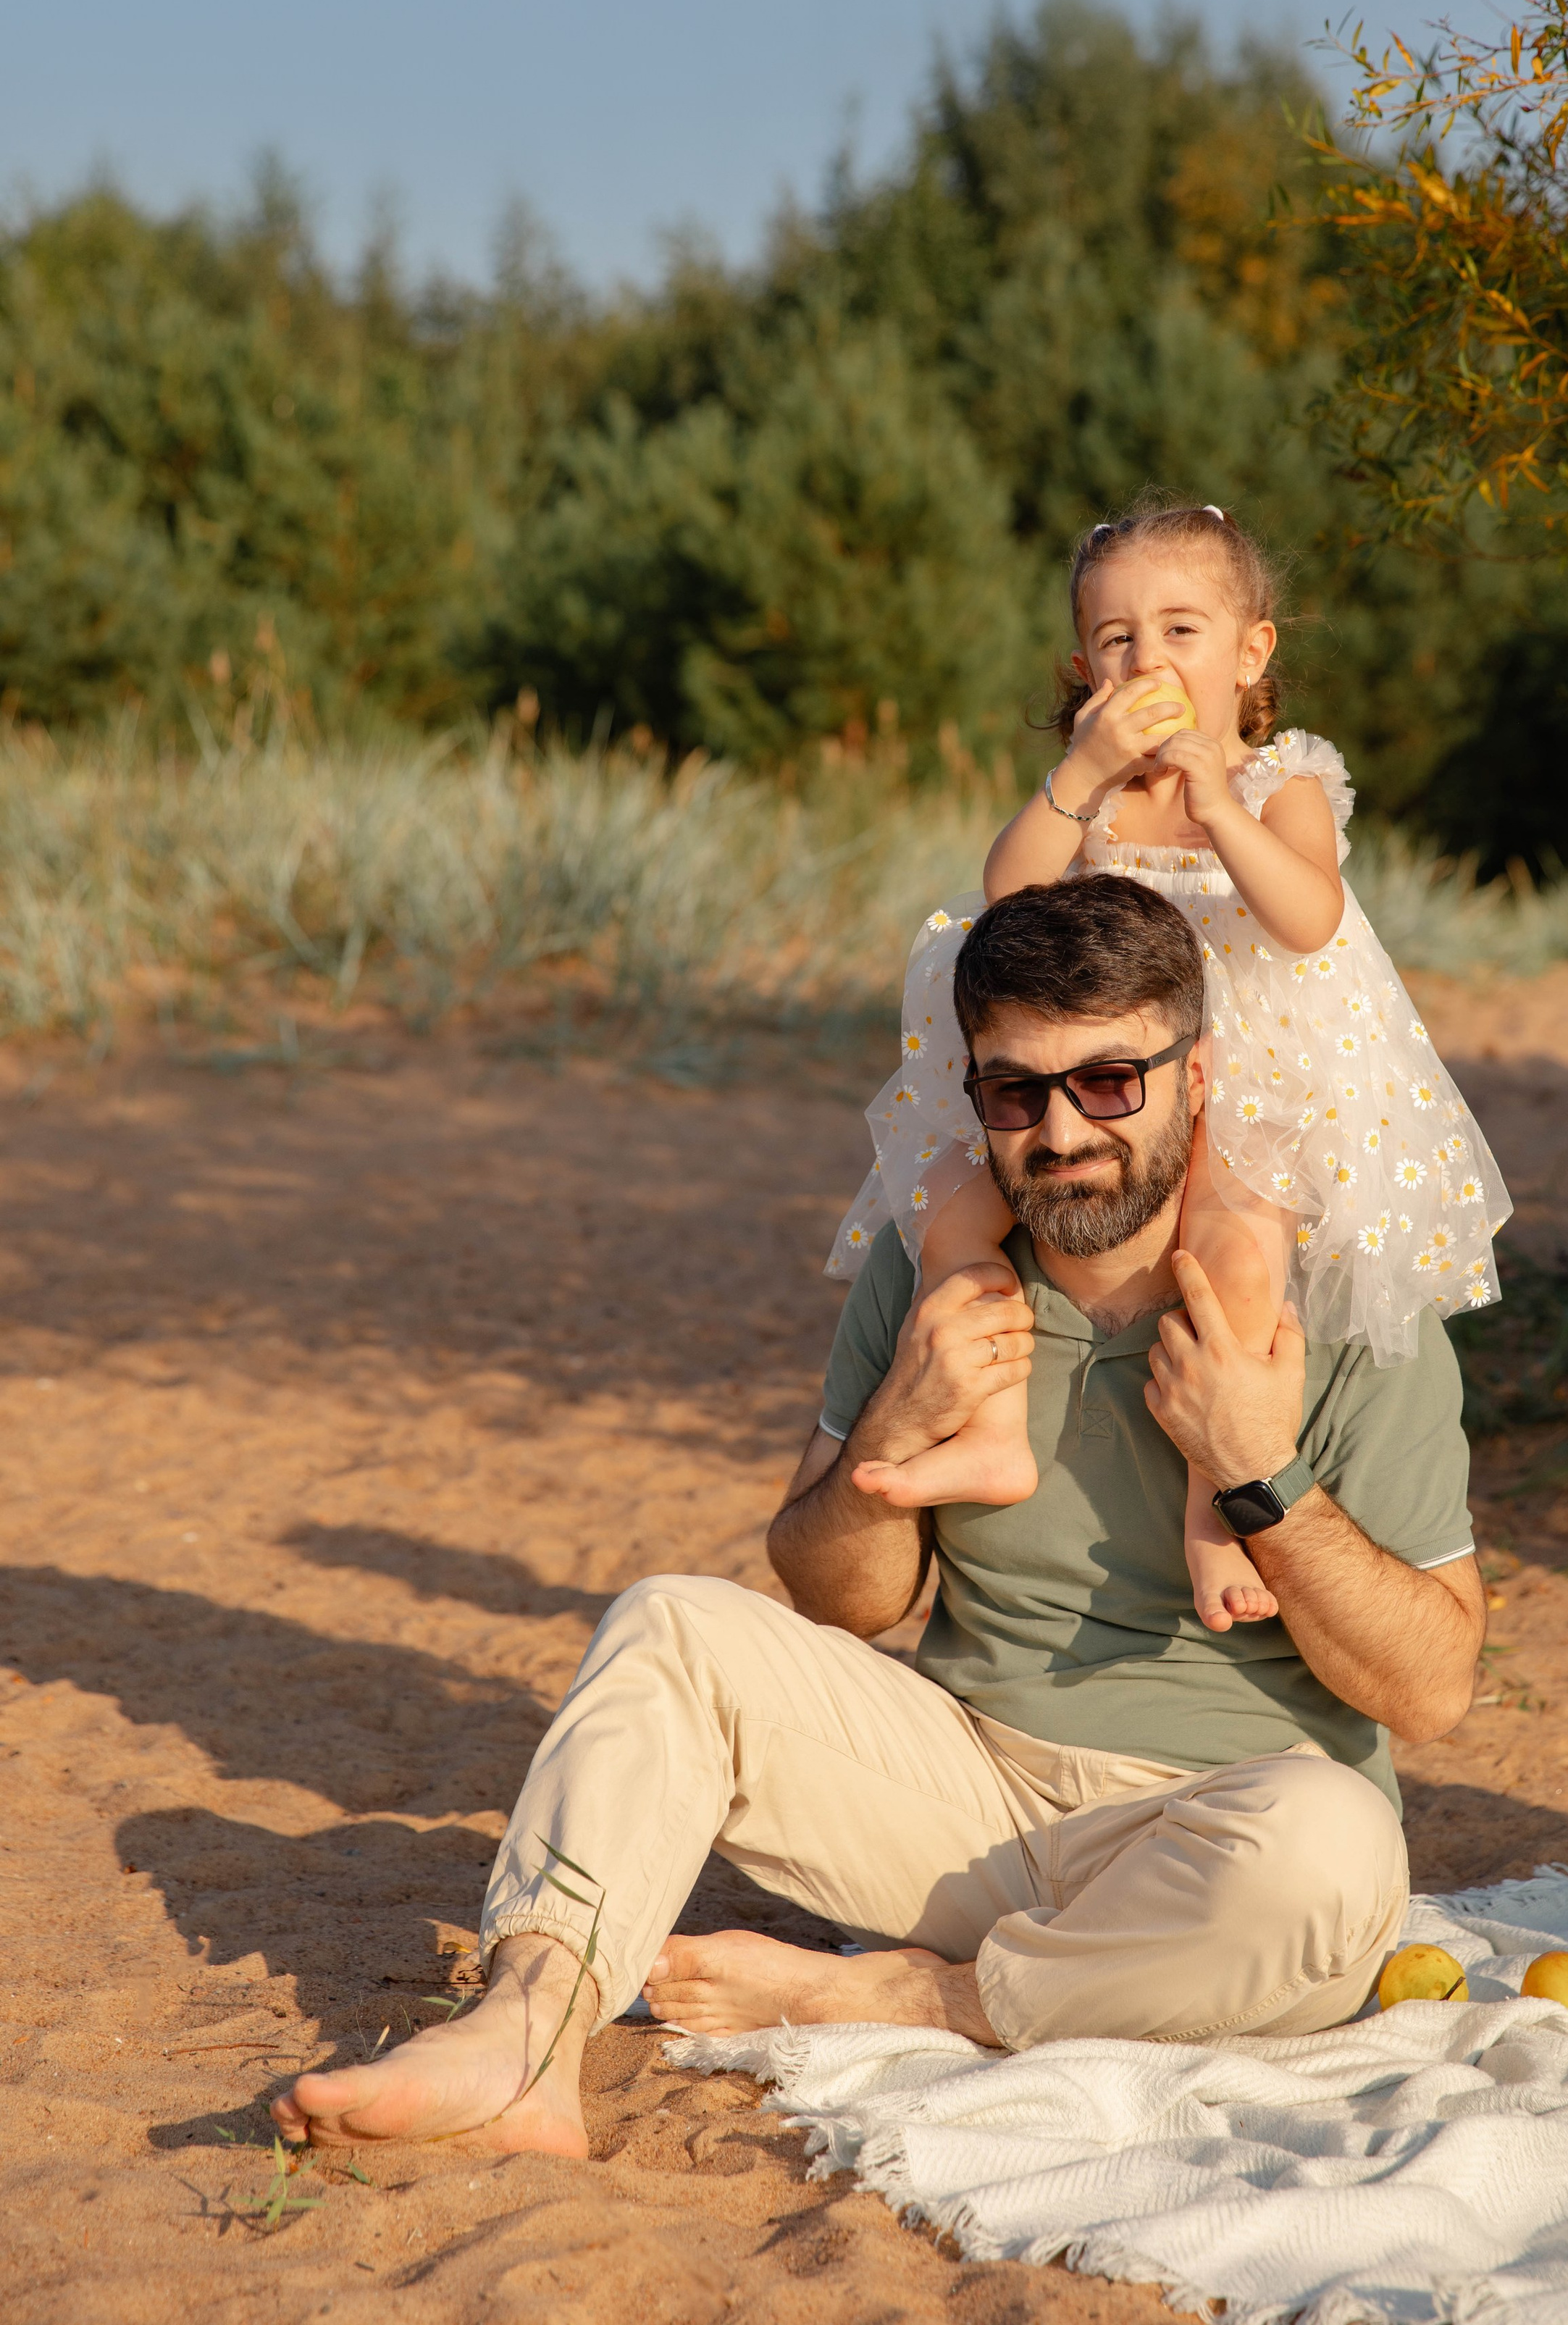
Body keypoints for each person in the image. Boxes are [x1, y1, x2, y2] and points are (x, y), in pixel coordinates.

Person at [272, 876, 1487, 2164]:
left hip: (1231, 1845)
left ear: (1201, 1071)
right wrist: (894, 1434)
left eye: (1111, 1082)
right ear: (971, 1098)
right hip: (964, 1802)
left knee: (1334, 1851)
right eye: (1016, 1092)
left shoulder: (1351, 1300)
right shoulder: (936, 1269)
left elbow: (1430, 1690)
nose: (1063, 1131)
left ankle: (919, 1997)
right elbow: (840, 1598)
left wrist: (1256, 1470)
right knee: (671, 1625)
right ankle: (526, 2037)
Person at [829, 498, 1510, 1635]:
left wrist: (1217, 807)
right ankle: (989, 1425)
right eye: (1116, 638)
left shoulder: (1278, 779)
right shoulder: (1092, 780)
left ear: (1252, 654)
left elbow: (1309, 917)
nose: (1149, 658)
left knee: (1237, 1248)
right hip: (1091, 1053)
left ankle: (1214, 1500)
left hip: (1250, 1063)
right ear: (1085, 664)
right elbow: (1009, 892)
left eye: (1182, 631)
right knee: (946, 1208)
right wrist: (1085, 772)